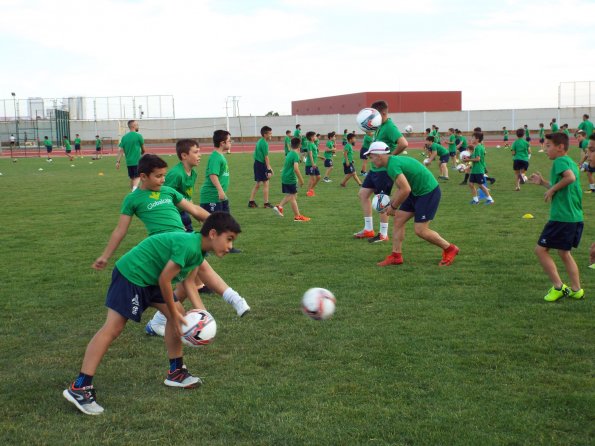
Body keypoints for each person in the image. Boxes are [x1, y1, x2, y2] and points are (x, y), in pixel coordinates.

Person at [63, 212, 248, 415]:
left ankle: (176, 372)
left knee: (178, 314)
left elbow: (188, 283)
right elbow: (165, 280)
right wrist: (175, 311)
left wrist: (202, 312)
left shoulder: (199, 250)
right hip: (133, 274)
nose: (230, 246)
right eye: (229, 239)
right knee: (114, 327)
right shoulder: (189, 246)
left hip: (151, 278)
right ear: (213, 233)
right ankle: (80, 387)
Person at [364, 142, 459, 267]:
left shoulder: (392, 165)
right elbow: (401, 188)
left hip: (428, 192)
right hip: (415, 192)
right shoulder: (391, 163)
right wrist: (389, 204)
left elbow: (405, 189)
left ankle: (450, 248)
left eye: (372, 157)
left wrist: (393, 207)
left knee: (420, 230)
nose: (371, 160)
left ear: (379, 156)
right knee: (398, 220)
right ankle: (396, 256)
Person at [529, 132, 584, 302]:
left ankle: (559, 287)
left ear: (560, 147)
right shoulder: (570, 162)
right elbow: (566, 183)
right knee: (564, 253)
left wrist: (551, 190)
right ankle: (577, 289)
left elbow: (570, 178)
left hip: (562, 217)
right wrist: (545, 183)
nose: (545, 149)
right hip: (574, 217)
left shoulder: (560, 161)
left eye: (548, 146)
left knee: (540, 250)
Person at [354, 100, 408, 244]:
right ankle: (368, 229)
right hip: (374, 169)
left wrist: (391, 158)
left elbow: (404, 143)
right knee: (363, 194)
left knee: (381, 201)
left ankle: (383, 234)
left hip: (384, 170)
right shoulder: (379, 126)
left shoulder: (389, 126)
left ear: (383, 113)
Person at [199, 130, 241, 254]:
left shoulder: (220, 156)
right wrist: (220, 191)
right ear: (222, 143)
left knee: (227, 222)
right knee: (210, 224)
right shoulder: (215, 157)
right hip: (212, 196)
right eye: (229, 141)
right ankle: (202, 248)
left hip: (220, 196)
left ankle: (228, 246)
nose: (231, 143)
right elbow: (213, 175)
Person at [163, 139, 201, 232]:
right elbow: (164, 198)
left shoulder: (193, 173)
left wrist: (197, 215)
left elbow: (187, 196)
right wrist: (175, 222)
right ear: (184, 155)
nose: (200, 155)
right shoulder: (176, 174)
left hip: (183, 212)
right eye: (196, 152)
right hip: (172, 215)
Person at [273, 137, 310, 221]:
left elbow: (286, 165)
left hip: (285, 176)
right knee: (292, 197)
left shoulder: (289, 153)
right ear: (300, 145)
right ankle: (297, 216)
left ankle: (279, 207)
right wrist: (301, 180)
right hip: (290, 178)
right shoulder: (295, 155)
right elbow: (296, 169)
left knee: (291, 195)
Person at [248, 126, 274, 208]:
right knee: (266, 183)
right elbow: (266, 157)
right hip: (260, 164)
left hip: (257, 164)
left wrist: (269, 167)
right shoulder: (264, 143)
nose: (271, 135)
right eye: (270, 133)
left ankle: (251, 201)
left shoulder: (260, 141)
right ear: (265, 134)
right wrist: (269, 169)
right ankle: (266, 203)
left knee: (258, 184)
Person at [116, 120, 145, 190]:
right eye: (137, 125)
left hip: (129, 162)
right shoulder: (139, 136)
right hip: (137, 161)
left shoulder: (124, 137)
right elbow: (143, 150)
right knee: (138, 177)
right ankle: (134, 190)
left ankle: (133, 193)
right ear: (133, 126)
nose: (138, 126)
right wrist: (142, 152)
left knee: (132, 178)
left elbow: (121, 150)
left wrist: (117, 161)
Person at [467, 131, 494, 205]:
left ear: (477, 139)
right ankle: (475, 200)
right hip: (474, 169)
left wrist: (468, 159)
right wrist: (467, 158)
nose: (471, 139)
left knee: (481, 185)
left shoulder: (479, 147)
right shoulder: (475, 147)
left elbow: (478, 159)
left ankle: (490, 199)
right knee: (471, 184)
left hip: (479, 169)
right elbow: (474, 157)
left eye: (473, 138)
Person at [304, 131, 322, 196]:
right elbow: (310, 155)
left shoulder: (313, 144)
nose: (316, 137)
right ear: (311, 138)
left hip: (314, 164)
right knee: (312, 179)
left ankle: (310, 189)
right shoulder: (309, 144)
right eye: (315, 136)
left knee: (319, 177)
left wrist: (320, 157)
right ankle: (309, 191)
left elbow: (315, 154)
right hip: (310, 164)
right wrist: (313, 164)